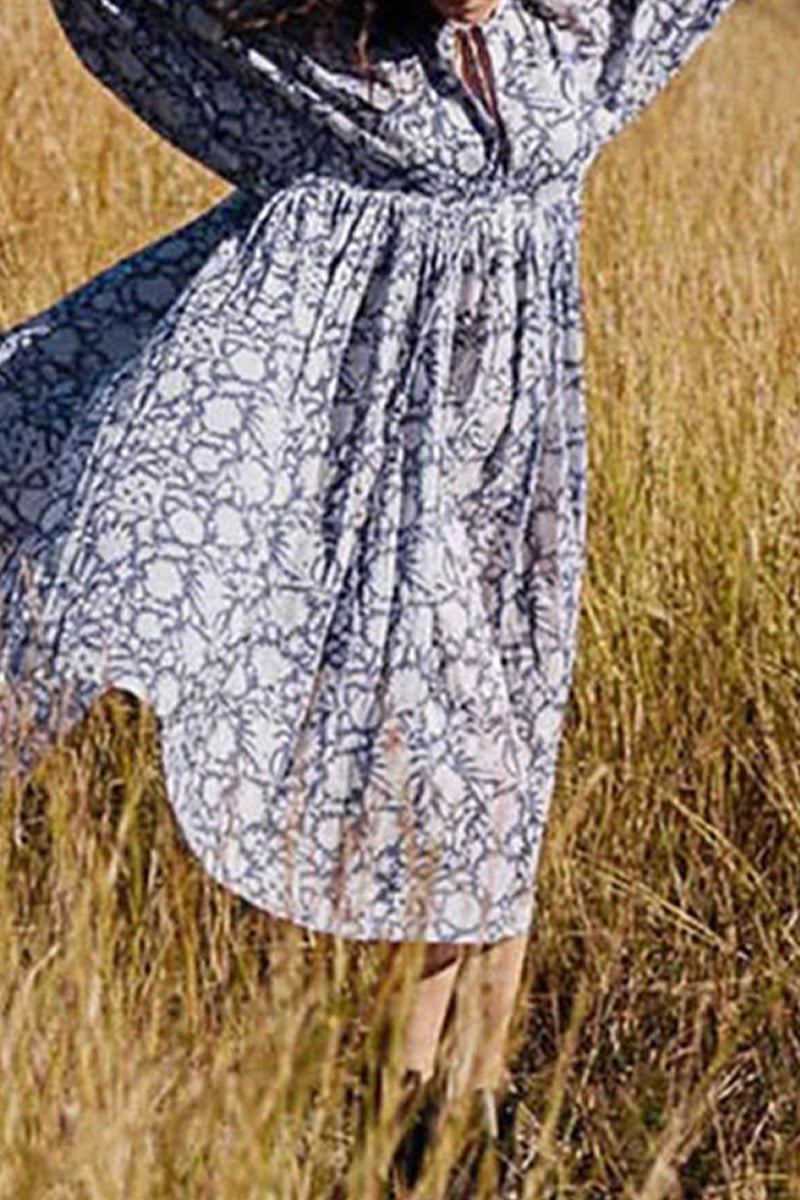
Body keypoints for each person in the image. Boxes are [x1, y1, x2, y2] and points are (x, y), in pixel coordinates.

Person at [0, 0, 739, 1189]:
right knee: (451, 787)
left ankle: (460, 1115)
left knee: (504, 788)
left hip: (519, 503)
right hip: (384, 504)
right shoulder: (342, 90)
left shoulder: (572, 58)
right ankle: (413, 1112)